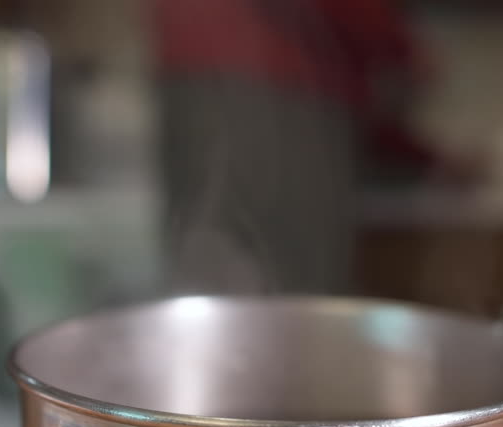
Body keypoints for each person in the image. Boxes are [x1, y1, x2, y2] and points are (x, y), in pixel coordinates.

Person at [152, 0, 464, 294]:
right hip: (280, 86)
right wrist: (401, 51)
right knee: (296, 285)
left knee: (209, 266)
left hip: (187, 82)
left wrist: (422, 157)